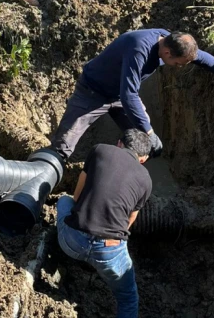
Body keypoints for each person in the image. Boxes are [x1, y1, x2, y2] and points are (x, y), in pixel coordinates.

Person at [50, 29, 214, 160]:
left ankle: (123, 179)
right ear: (167, 53)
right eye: (178, 64)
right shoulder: (139, 49)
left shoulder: (172, 42)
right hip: (92, 92)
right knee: (62, 146)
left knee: (145, 146)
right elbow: (129, 95)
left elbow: (202, 57)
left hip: (119, 95)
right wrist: (149, 131)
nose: (180, 67)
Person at [56, 129, 153, 318]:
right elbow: (128, 221)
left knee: (64, 202)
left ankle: (71, 257)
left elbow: (76, 196)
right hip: (109, 252)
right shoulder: (146, 180)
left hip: (71, 242)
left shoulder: (99, 149)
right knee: (128, 298)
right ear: (143, 159)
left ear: (119, 143)